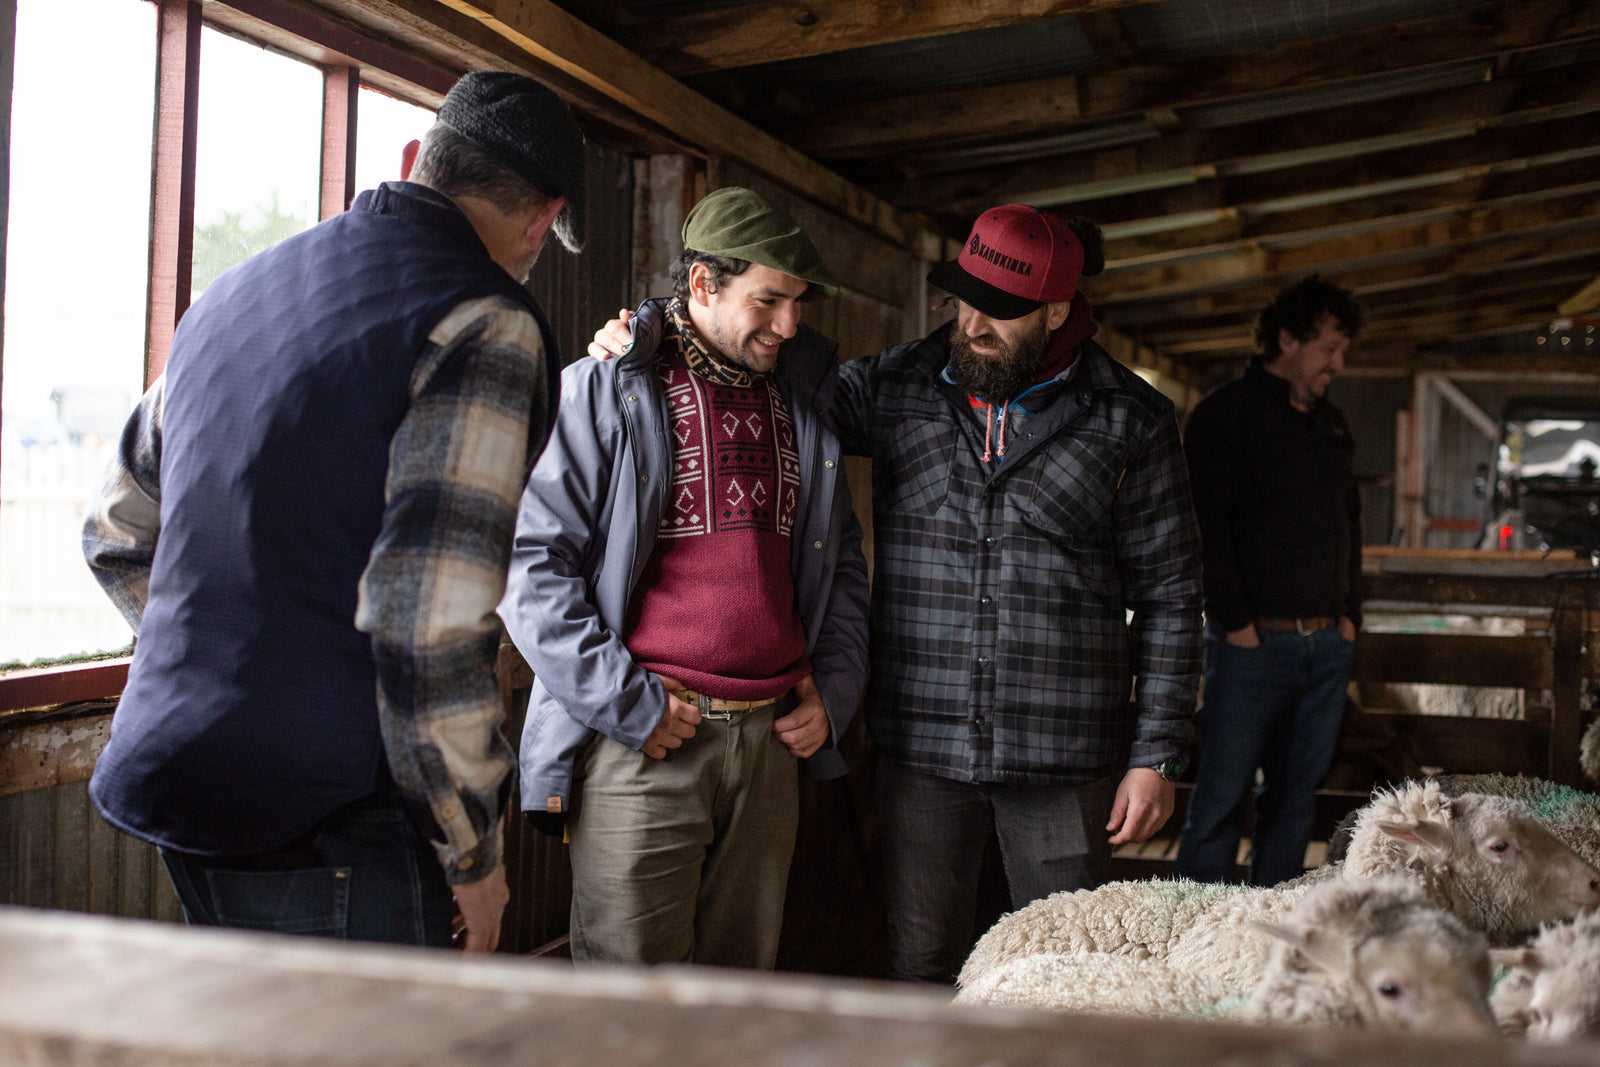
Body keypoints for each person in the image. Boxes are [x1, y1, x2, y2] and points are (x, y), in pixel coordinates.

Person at [591, 202, 1203, 983]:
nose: (974, 322)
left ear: (1057, 310)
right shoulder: (895, 384)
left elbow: (1173, 594)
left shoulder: (1133, 420)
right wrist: (649, 331)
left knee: (1071, 972)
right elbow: (754, 357)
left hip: (1065, 753)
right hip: (921, 746)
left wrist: (1156, 753)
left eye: (1004, 311)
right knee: (920, 961)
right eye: (966, 297)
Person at [82, 71, 586, 953]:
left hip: (174, 786)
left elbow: (117, 530)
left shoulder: (233, 295)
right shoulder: (484, 322)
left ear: (412, 161)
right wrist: (475, 856)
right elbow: (428, 626)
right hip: (341, 816)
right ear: (543, 219)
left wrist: (220, 655)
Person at [498, 186, 870, 968]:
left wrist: (834, 688)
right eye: (769, 300)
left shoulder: (808, 401)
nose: (790, 325)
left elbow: (843, 568)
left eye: (798, 303)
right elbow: (531, 568)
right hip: (645, 744)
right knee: (629, 1006)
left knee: (737, 998)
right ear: (702, 284)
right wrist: (624, 702)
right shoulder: (602, 388)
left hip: (771, 747)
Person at [1172, 274, 1365, 888]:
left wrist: (1348, 615)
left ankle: (1275, 932)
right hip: (1252, 647)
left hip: (1324, 647)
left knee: (1295, 801)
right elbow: (1205, 527)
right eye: (1329, 348)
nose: (1339, 363)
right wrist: (1234, 624)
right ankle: (1193, 932)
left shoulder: (1332, 426)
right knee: (1222, 794)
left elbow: (1350, 525)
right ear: (1287, 339)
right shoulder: (1224, 417)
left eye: (1342, 352)